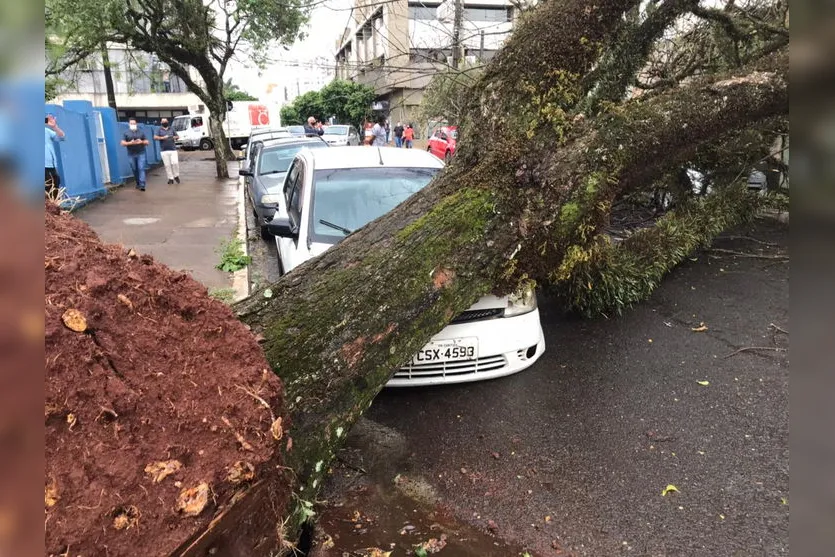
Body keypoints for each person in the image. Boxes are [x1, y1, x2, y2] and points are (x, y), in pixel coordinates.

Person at [121, 118, 149, 191]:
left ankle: (142, 185)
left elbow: (147, 142)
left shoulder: (141, 132)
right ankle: (138, 183)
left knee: (141, 168)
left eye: (134, 123)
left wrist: (141, 142)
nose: (133, 125)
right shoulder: (126, 133)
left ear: (136, 124)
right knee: (134, 169)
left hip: (141, 153)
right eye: (131, 123)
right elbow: (122, 143)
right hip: (131, 154)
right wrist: (130, 143)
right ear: (129, 124)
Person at [44, 114, 66, 197]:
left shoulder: (46, 131)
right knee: (47, 189)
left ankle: (52, 207)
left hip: (51, 165)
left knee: (55, 185)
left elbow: (62, 137)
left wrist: (54, 127)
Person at [154, 118, 180, 184]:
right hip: (164, 150)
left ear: (167, 122)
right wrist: (162, 138)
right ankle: (170, 178)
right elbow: (155, 137)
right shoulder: (159, 129)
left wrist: (175, 137)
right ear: (161, 122)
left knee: (175, 163)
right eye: (163, 121)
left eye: (165, 121)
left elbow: (177, 136)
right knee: (167, 165)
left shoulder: (172, 128)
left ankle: (176, 175)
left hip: (173, 149)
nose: (164, 122)